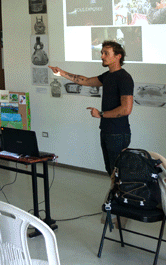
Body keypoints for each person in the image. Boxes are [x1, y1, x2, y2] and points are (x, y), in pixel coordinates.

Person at [49, 40, 134, 175]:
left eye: (106, 53)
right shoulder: (108, 76)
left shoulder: (124, 78)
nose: (102, 56)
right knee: (111, 170)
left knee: (118, 172)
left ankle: (122, 196)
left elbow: (126, 109)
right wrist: (61, 73)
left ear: (118, 56)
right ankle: (115, 195)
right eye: (102, 53)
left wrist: (101, 114)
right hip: (107, 130)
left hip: (118, 132)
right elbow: (86, 81)